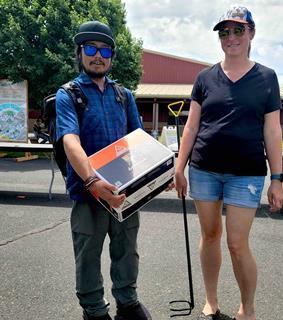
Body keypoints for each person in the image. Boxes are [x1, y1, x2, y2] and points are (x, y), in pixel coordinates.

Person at [174, 6, 283, 320]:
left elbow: (272, 129)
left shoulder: (267, 77)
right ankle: (211, 301)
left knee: (237, 243)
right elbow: (192, 127)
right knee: (210, 236)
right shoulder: (204, 78)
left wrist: (277, 178)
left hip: (245, 173)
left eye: (238, 30)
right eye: (225, 32)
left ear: (251, 33)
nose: (231, 37)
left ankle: (247, 309)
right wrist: (179, 168)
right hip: (204, 169)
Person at [56, 21, 152, 320]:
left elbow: (139, 140)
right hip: (89, 193)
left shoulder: (123, 95)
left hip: (126, 191)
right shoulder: (68, 94)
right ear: (80, 53)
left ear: (111, 55)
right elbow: (70, 140)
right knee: (88, 256)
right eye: (91, 48)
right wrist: (92, 181)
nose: (98, 55)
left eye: (105, 49)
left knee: (127, 250)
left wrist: (161, 173)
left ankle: (127, 301)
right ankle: (94, 310)